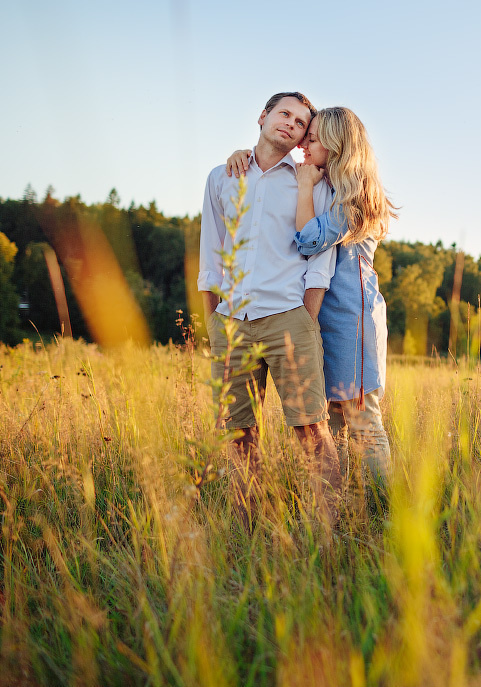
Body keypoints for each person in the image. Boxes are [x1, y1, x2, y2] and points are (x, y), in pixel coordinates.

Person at [227, 106, 396, 496]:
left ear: (335, 145)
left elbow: (308, 239)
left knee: (362, 419)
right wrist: (243, 156)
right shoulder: (329, 184)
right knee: (331, 420)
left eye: (313, 139)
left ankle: (387, 509)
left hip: (352, 319)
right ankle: (347, 505)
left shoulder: (355, 193)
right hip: (322, 317)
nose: (304, 145)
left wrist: (305, 186)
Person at [199, 92, 342, 529]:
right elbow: (211, 253)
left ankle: (332, 531)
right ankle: (248, 531)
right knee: (239, 432)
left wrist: (306, 319)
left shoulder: (311, 182)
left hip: (289, 318)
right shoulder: (222, 177)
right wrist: (212, 320)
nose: (290, 124)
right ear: (263, 116)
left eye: (300, 123)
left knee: (310, 429)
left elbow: (321, 261)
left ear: (302, 137)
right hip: (231, 323)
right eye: (284, 114)